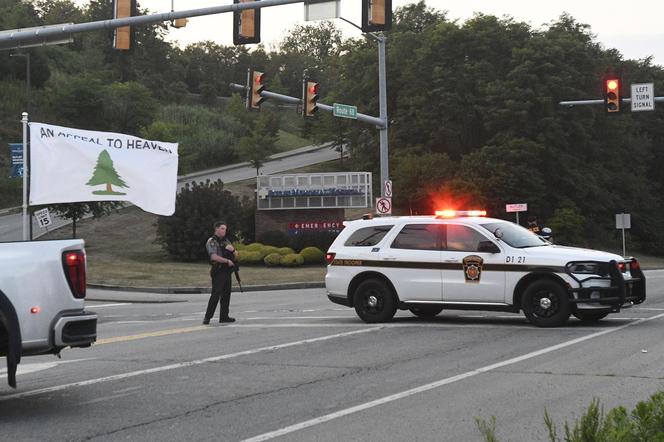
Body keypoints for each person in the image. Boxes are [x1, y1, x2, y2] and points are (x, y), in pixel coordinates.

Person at [203, 221, 238, 324]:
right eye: (222, 228)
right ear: (217, 229)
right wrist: (227, 261)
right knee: (216, 293)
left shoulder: (226, 241)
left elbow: (236, 255)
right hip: (218, 270)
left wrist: (233, 250)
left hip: (227, 270)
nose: (224, 231)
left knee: (226, 294)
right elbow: (213, 256)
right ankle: (207, 317)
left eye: (225, 229)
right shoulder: (212, 241)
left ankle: (224, 316)